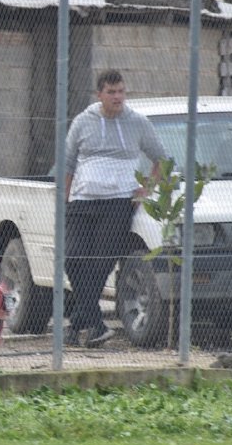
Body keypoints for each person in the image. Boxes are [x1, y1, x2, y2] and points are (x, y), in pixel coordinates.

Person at [64, 69, 165, 348]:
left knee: (101, 264)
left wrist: (148, 188)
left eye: (121, 91)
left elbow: (161, 159)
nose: (118, 97)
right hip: (82, 201)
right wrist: (66, 197)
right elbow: (68, 162)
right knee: (72, 258)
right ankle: (92, 323)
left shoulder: (138, 123)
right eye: (111, 92)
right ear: (100, 95)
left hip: (120, 202)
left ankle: (83, 324)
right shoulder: (83, 122)